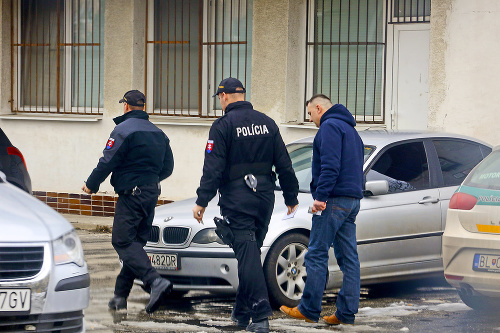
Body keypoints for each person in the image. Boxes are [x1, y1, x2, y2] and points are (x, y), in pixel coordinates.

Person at [192, 77, 299, 333]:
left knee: (248, 256)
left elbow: (213, 167)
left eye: (219, 98)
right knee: (249, 256)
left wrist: (202, 200)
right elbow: (284, 163)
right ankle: (241, 314)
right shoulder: (267, 122)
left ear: (224, 97)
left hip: (237, 198)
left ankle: (260, 316)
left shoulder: (222, 126)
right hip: (264, 197)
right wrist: (291, 197)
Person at [82, 90, 174, 314]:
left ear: (126, 106)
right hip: (150, 193)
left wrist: (91, 185)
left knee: (123, 242)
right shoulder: (158, 133)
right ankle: (119, 296)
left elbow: (107, 161)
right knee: (135, 246)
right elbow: (168, 167)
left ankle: (155, 281)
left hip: (132, 194)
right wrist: (149, 180)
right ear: (143, 107)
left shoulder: (123, 130)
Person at [280, 94, 364, 325]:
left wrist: (321, 197)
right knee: (349, 259)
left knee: (316, 253)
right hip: (352, 200)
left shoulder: (329, 127)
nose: (310, 118)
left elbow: (330, 166)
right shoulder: (351, 131)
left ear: (319, 108)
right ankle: (346, 313)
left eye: (310, 113)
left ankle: (309, 308)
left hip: (333, 200)